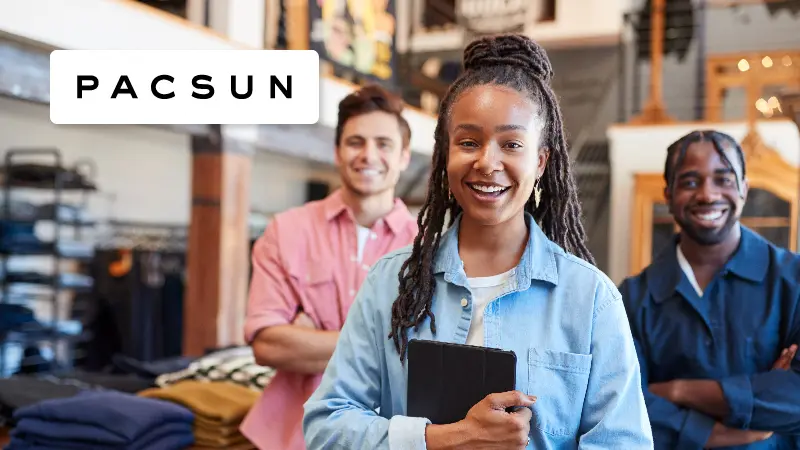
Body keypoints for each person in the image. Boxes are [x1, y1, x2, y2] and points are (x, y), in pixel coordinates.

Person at [303, 34, 653, 449]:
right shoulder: (392, 282)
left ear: (540, 160)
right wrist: (444, 439)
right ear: (445, 153)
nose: (487, 162)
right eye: (468, 142)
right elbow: (326, 427)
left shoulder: (591, 299)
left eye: (512, 144)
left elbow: (624, 443)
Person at [240, 84, 419, 450]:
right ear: (337, 152)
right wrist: (381, 343)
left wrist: (309, 338)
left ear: (403, 156)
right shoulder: (286, 231)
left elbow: (426, 355)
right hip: (293, 435)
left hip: (390, 436)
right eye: (356, 142)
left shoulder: (427, 247)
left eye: (383, 144)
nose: (368, 155)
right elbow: (268, 345)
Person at [619, 130, 800, 449]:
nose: (707, 194)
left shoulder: (794, 280)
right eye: (689, 182)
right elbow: (623, 402)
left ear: (744, 189)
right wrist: (717, 431)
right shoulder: (633, 298)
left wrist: (677, 391)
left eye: (724, 180)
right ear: (668, 194)